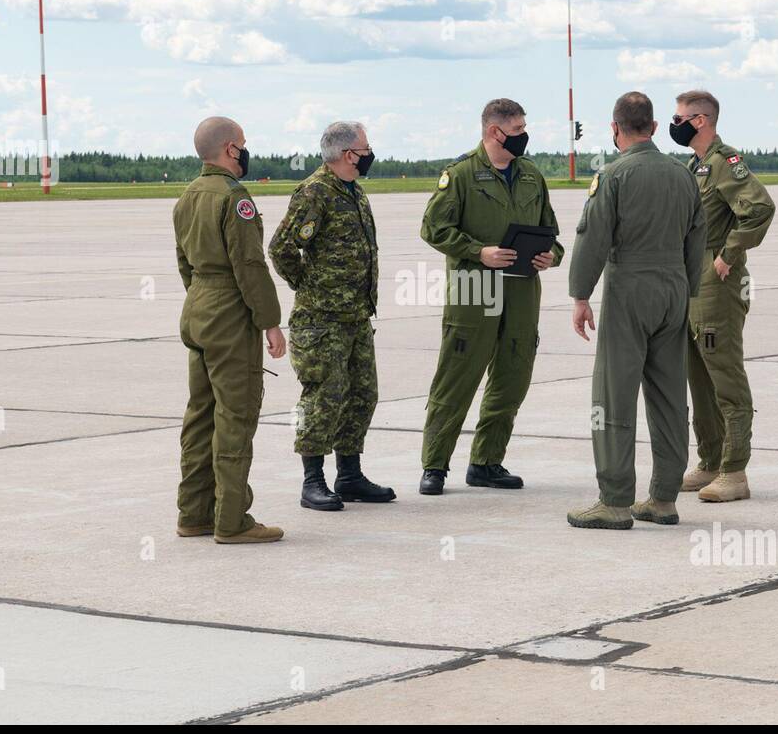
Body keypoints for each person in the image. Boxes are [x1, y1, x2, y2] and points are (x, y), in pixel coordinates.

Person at [566, 92, 706, 529]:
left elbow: (593, 238)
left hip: (630, 288)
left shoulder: (614, 175)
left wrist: (580, 295)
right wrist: (686, 288)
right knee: (669, 396)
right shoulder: (683, 175)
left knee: (613, 395)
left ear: (615, 129)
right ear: (655, 128)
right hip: (675, 288)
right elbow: (697, 238)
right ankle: (663, 498)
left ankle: (615, 500)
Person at [418, 98, 563, 495]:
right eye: (516, 131)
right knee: (456, 379)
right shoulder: (461, 175)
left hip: (521, 290)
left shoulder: (532, 176)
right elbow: (433, 229)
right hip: (473, 289)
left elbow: (551, 230)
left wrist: (552, 256)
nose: (523, 137)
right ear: (493, 132)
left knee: (512, 378)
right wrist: (477, 251)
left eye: (523, 128)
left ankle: (486, 462)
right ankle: (434, 465)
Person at [269, 121, 395, 512]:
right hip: (321, 319)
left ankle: (350, 474)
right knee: (324, 397)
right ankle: (312, 480)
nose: (370, 154)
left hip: (356, 316)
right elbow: (281, 249)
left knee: (362, 395)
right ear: (346, 154)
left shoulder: (352, 191)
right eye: (365, 148)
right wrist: (310, 287)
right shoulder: (315, 192)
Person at [172, 116, 286, 544]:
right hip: (229, 310)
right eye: (243, 144)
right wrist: (269, 322)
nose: (246, 150)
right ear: (229, 149)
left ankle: (194, 513)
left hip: (198, 306)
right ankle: (232, 519)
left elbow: (185, 262)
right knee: (235, 415)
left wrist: (202, 298)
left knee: (200, 416)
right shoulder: (234, 198)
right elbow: (250, 266)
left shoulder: (188, 196)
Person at [670, 90, 776, 502]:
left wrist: (728, 255)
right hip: (691, 283)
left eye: (679, 118)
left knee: (725, 377)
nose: (674, 124)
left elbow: (760, 208)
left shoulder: (724, 163)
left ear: (700, 120)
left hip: (716, 284)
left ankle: (735, 471)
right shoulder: (695, 165)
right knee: (699, 377)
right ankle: (710, 461)